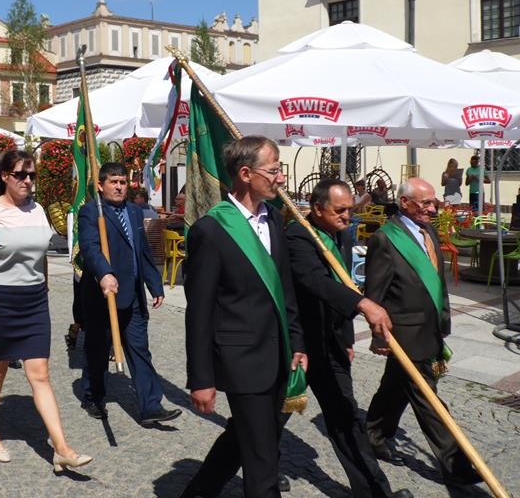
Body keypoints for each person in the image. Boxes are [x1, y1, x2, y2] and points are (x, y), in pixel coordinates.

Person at [182, 136, 306, 498]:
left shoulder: (275, 221)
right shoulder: (211, 231)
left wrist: (297, 342)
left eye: (280, 169)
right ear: (246, 174)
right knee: (263, 459)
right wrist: (201, 378)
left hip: (279, 355)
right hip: (242, 360)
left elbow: (285, 291)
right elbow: (199, 312)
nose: (281, 178)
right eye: (274, 170)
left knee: (245, 438)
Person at [0, 150, 92, 472]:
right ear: (5, 176)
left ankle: (61, 448)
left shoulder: (38, 210)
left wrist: (43, 288)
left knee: (41, 374)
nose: (27, 181)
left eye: (31, 175)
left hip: (33, 302)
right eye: (20, 174)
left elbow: (41, 254)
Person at [286, 179, 412, 498]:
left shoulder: (341, 233)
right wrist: (363, 304)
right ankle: (241, 472)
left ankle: (375, 493)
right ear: (318, 209)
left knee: (346, 418)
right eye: (340, 210)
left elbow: (342, 283)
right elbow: (316, 282)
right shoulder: (298, 235)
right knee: (265, 419)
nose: (347, 216)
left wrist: (346, 338)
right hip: (298, 345)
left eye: (350, 209)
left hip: (330, 345)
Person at [365, 178, 483, 489]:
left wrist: (443, 320)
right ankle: (456, 464)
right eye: (426, 203)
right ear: (404, 203)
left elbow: (437, 282)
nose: (433, 209)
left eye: (434, 202)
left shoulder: (427, 231)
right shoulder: (385, 239)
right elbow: (374, 294)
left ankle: (374, 434)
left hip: (429, 330)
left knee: (394, 387)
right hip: (405, 334)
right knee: (428, 399)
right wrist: (378, 336)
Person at [79, 162, 181, 427]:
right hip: (104, 295)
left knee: (140, 350)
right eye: (113, 182)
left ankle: (151, 407)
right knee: (98, 350)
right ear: (100, 185)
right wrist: (104, 273)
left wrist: (155, 284)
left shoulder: (134, 211)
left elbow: (142, 250)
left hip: (133, 295)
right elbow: (90, 247)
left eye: (122, 182)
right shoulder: (91, 211)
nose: (119, 187)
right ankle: (93, 396)